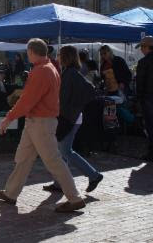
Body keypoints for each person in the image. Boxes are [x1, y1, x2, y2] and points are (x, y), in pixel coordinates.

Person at [0, 38, 85, 212]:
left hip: (40, 122)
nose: (27, 56)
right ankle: (11, 193)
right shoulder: (49, 68)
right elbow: (30, 100)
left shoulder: (41, 71)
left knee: (53, 161)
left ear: (32, 52)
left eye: (28, 52)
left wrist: (8, 117)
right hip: (38, 121)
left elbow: (27, 100)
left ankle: (74, 198)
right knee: (24, 158)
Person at [43, 46, 103, 194]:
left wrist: (72, 106)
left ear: (65, 57)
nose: (57, 57)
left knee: (65, 151)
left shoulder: (70, 73)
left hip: (70, 118)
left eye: (59, 55)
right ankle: (59, 182)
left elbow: (86, 91)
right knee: (61, 151)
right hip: (71, 116)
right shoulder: (71, 72)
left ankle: (93, 175)